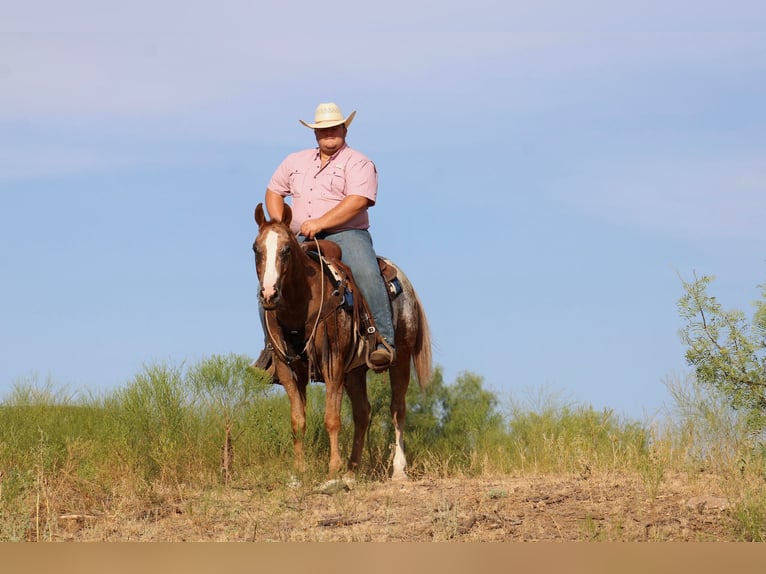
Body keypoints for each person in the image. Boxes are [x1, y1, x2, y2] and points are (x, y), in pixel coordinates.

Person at [254, 102, 396, 373]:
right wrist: (281, 224)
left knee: (366, 273)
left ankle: (383, 341)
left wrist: (321, 223)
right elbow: (274, 191)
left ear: (344, 129)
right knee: (270, 281)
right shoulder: (295, 161)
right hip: (299, 236)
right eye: (323, 129)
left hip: (346, 234)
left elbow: (358, 201)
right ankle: (271, 349)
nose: (329, 133)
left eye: (334, 128)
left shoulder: (358, 162)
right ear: (315, 133)